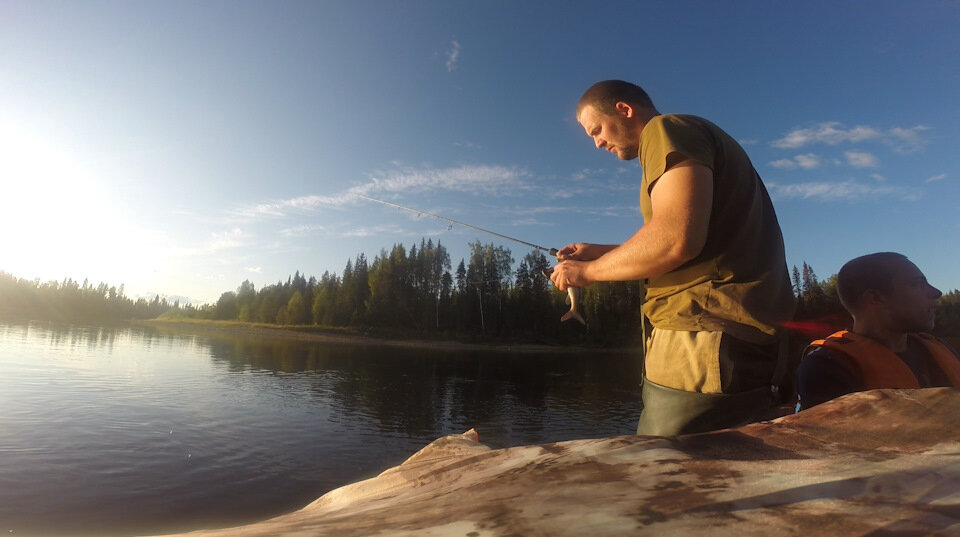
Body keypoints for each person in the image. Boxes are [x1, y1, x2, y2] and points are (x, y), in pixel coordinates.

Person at [550, 80, 796, 435]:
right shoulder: (699, 138)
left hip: (701, 338)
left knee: (668, 476)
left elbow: (675, 240)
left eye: (597, 130)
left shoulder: (666, 130)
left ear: (624, 110)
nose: (597, 143)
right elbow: (692, 238)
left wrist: (587, 272)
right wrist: (601, 252)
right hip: (734, 340)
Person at [796, 252, 960, 411]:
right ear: (875, 298)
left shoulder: (939, 348)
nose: (936, 292)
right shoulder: (826, 368)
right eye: (917, 284)